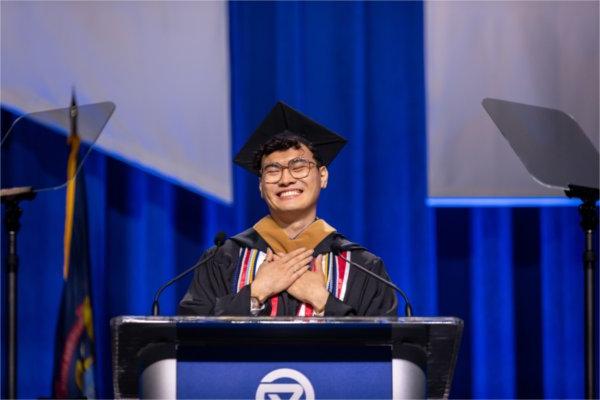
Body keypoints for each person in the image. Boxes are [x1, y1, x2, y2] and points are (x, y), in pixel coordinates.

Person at [178, 101, 397, 316]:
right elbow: (190, 335)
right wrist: (256, 292)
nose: (286, 179)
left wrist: (322, 300)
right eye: (273, 171)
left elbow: (387, 344)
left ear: (322, 177)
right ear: (261, 187)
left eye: (299, 167)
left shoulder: (363, 266)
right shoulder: (224, 258)